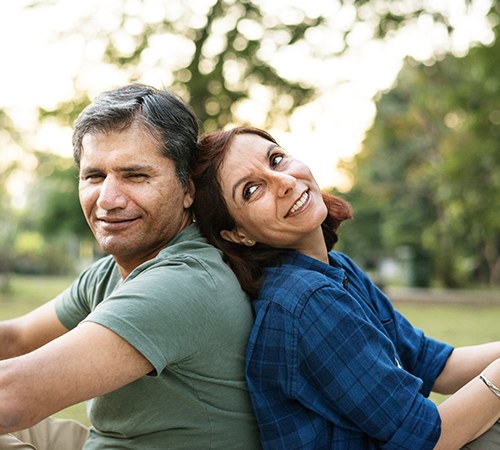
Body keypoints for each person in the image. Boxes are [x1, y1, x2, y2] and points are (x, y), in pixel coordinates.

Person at [192, 125, 500, 450]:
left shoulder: (336, 270)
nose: (283, 182)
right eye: (251, 190)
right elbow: (427, 438)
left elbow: (431, 362)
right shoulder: (305, 300)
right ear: (237, 234)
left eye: (277, 159)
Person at [0, 85, 261, 449]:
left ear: (188, 190)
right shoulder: (114, 270)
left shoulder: (185, 283)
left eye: (135, 176)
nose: (107, 199)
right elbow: (14, 339)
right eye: (94, 176)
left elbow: (11, 399)